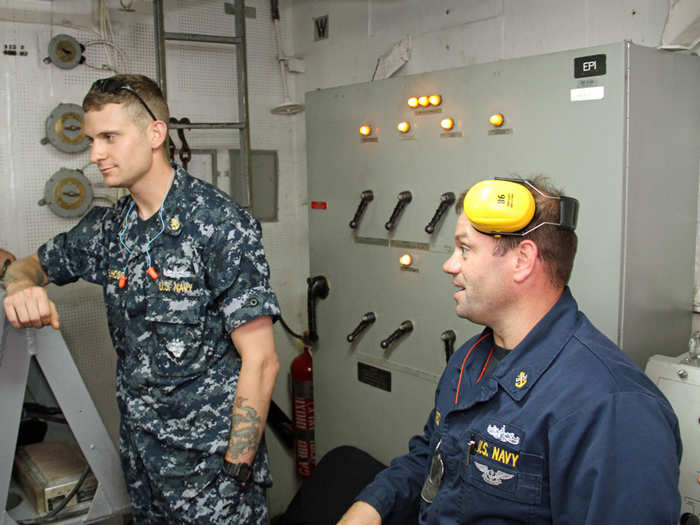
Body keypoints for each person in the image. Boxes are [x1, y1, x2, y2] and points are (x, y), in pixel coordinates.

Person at [2, 75, 280, 524]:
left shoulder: (218, 224)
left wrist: (236, 467)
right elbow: (28, 266)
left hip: (209, 474)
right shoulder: (113, 228)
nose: (95, 154)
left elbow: (262, 360)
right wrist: (20, 287)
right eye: (92, 140)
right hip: (141, 464)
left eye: (109, 137)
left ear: (155, 134)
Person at [338, 177, 682, 524]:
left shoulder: (613, 407)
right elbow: (434, 457)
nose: (450, 265)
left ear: (522, 260)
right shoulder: (471, 360)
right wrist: (369, 509)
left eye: (465, 249)